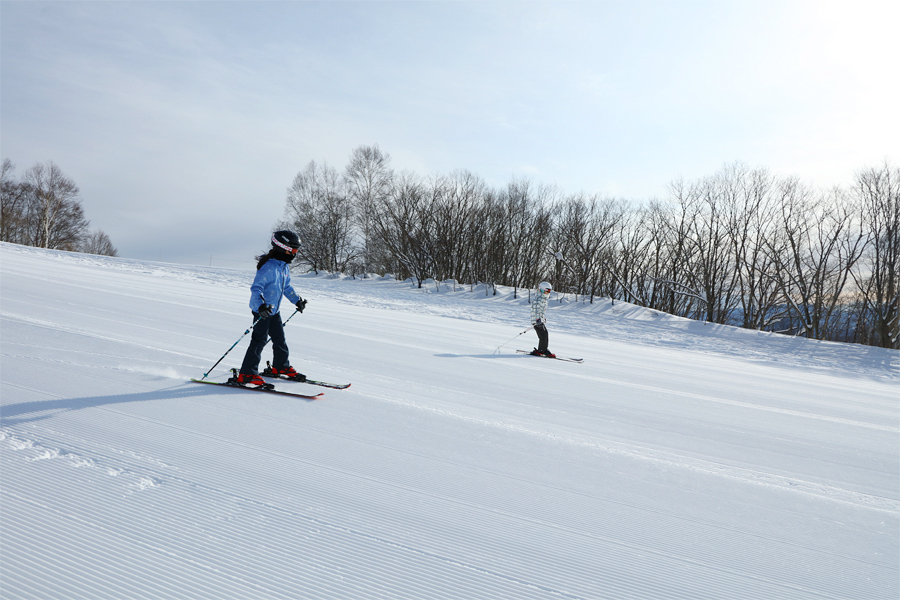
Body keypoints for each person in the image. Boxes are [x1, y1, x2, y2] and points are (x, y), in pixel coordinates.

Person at [237, 230, 308, 386]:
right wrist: (261, 306)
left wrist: (297, 301)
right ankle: (247, 374)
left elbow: (286, 287)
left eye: (296, 250)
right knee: (259, 341)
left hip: (274, 311)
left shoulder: (283, 266)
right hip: (262, 311)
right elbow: (256, 288)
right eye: (293, 250)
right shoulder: (268, 266)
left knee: (279, 339)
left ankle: (280, 367)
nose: (295, 253)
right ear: (283, 247)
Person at [530, 281, 555, 358]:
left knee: (543, 335)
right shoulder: (539, 299)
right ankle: (542, 350)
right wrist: (538, 319)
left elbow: (540, 311)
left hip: (538, 320)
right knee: (544, 335)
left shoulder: (541, 298)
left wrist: (542, 318)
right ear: (542, 289)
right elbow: (536, 310)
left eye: (549, 291)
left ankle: (541, 350)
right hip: (537, 321)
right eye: (547, 290)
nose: (548, 292)